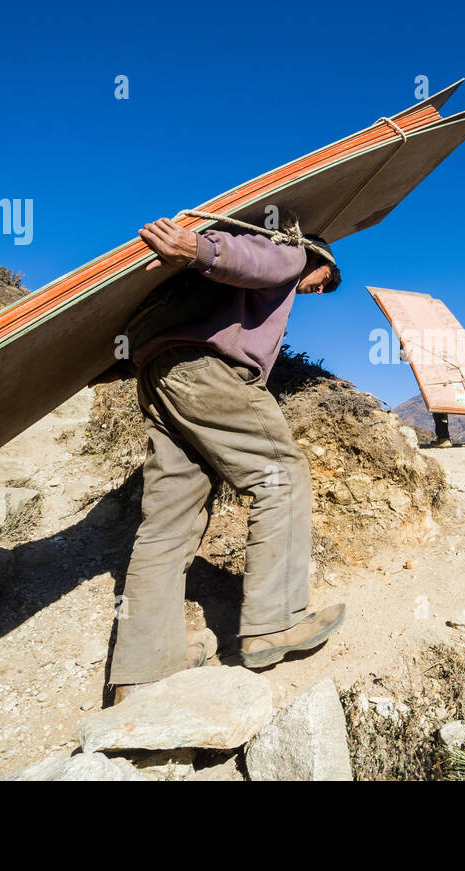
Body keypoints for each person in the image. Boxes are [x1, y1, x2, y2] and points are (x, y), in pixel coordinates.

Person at [106, 217, 345, 703]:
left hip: (157, 376)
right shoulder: (293, 250)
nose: (319, 291)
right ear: (320, 261)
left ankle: (143, 669)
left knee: (168, 523)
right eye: (326, 283)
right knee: (281, 476)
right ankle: (274, 625)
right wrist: (199, 248)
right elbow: (258, 257)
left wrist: (119, 363)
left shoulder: (215, 295)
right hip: (209, 373)